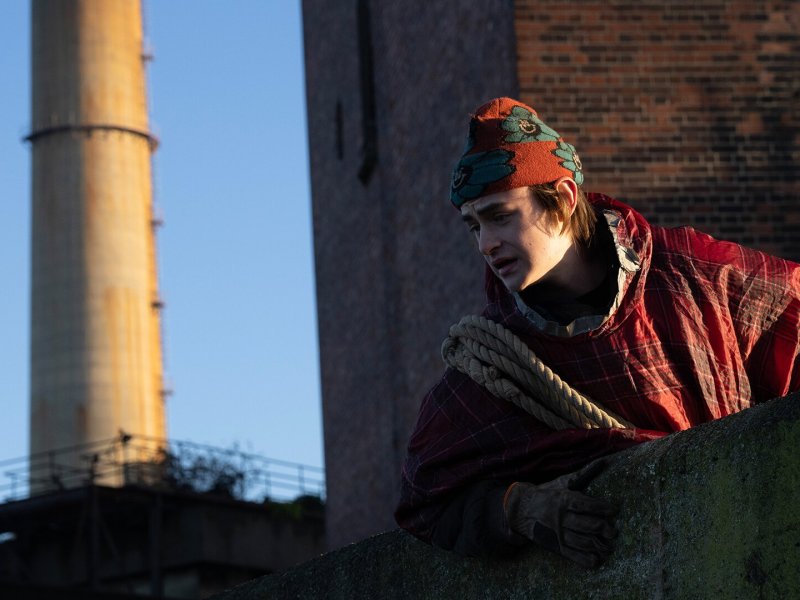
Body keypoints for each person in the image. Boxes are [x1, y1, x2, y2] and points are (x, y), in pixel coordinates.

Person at [395, 97, 800, 567]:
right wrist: (518, 508)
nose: (486, 244)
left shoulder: (693, 277)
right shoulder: (490, 368)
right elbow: (423, 497)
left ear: (565, 200)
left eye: (500, 216)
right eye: (474, 226)